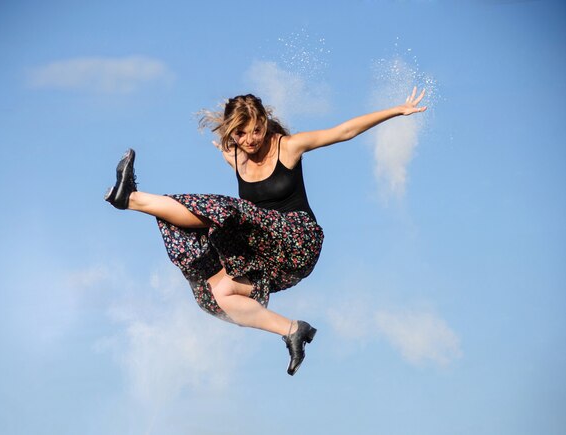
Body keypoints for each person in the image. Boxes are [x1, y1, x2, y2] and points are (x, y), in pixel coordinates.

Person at [104, 88, 426, 375]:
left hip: (299, 240)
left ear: (264, 121)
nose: (251, 140)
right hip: (269, 259)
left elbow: (344, 131)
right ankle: (292, 330)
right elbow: (230, 167)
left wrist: (397, 110)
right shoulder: (236, 157)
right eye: (241, 135)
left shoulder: (287, 147)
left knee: (226, 211)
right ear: (233, 135)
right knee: (217, 293)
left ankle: (131, 197)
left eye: (256, 130)